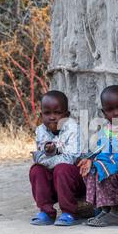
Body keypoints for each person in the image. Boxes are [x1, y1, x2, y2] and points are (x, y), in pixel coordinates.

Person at [77, 85, 118, 227]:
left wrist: (101, 161)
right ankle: (104, 209)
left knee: (104, 168)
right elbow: (101, 149)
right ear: (103, 112)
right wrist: (91, 160)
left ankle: (115, 212)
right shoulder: (107, 129)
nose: (116, 112)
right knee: (91, 168)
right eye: (110, 110)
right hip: (114, 169)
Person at [29, 90, 85, 226]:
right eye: (47, 113)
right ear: (41, 115)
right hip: (54, 181)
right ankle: (46, 211)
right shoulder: (41, 130)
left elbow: (70, 158)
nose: (52, 117)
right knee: (36, 170)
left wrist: (44, 159)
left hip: (75, 180)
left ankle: (69, 212)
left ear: (67, 115)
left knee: (62, 169)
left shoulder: (73, 128)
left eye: (58, 113)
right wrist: (46, 155)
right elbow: (42, 154)